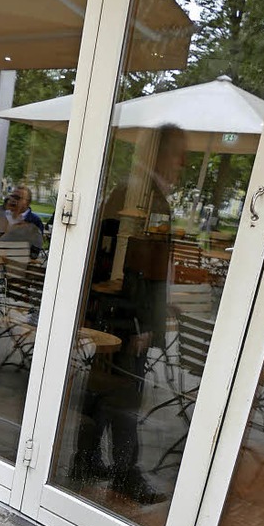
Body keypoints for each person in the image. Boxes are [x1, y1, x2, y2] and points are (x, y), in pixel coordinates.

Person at [71, 125, 186, 505]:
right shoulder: (146, 200)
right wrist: (145, 324)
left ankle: (85, 461)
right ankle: (125, 474)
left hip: (111, 310)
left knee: (102, 389)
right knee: (124, 395)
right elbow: (144, 275)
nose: (181, 164)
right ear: (159, 156)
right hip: (125, 316)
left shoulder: (126, 191)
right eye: (176, 155)